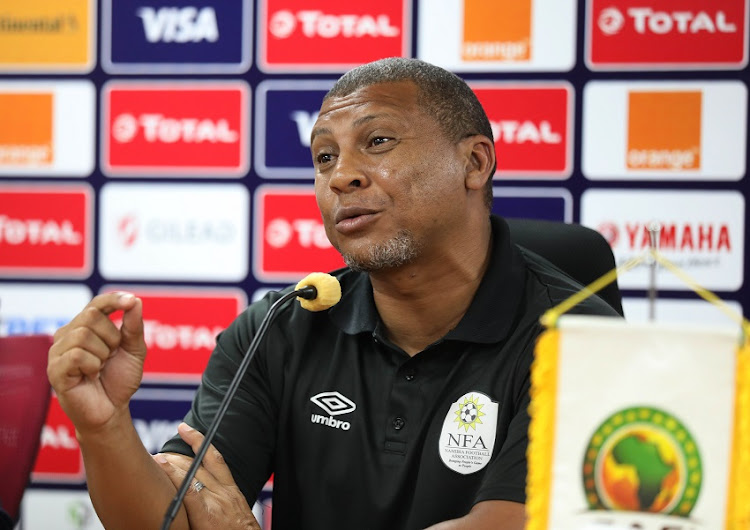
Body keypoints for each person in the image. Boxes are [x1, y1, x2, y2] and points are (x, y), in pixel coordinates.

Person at [47, 57, 619, 530]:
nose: (341, 176)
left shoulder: (583, 342)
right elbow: (176, 517)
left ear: (474, 162)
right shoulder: (279, 327)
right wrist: (105, 428)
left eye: (377, 141)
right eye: (324, 157)